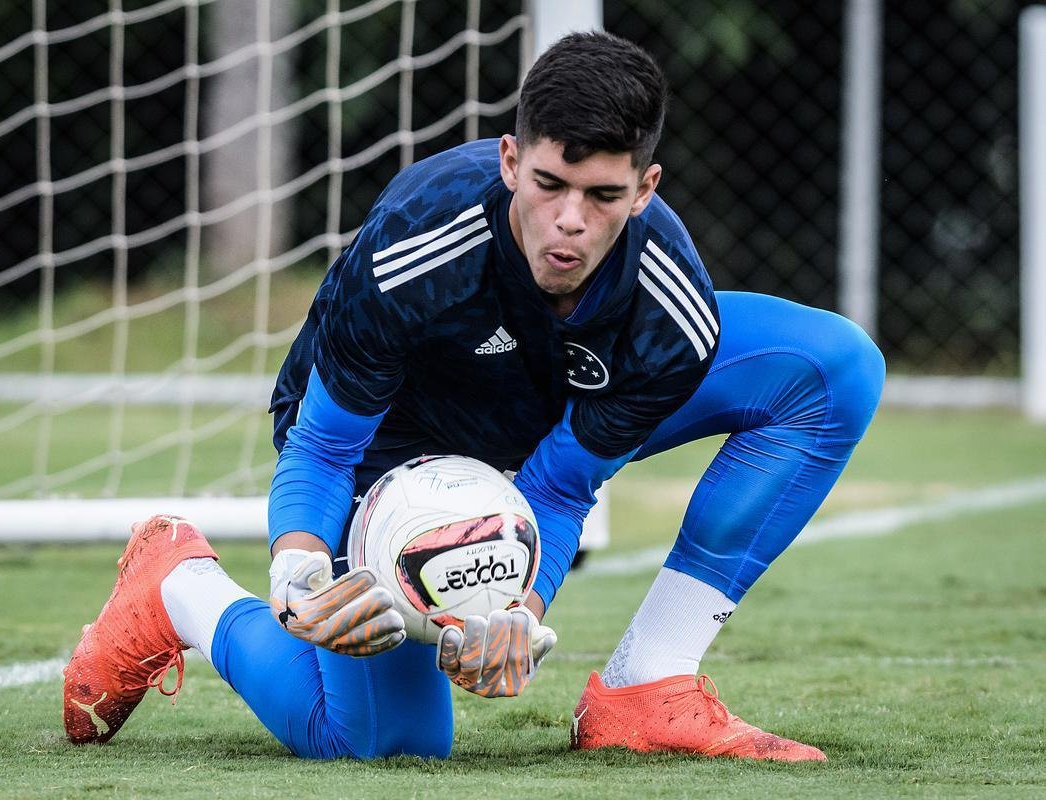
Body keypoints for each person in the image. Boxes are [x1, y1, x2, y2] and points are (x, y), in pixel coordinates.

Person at [63, 31, 884, 762]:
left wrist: (515, 608)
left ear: (645, 190)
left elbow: (561, 487)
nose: (569, 221)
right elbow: (323, 447)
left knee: (828, 370)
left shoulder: (670, 306)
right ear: (508, 161)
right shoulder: (413, 246)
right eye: (549, 183)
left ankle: (647, 687)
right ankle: (181, 589)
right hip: (388, 441)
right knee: (388, 744)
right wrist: (300, 572)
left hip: (541, 424)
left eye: (602, 197)